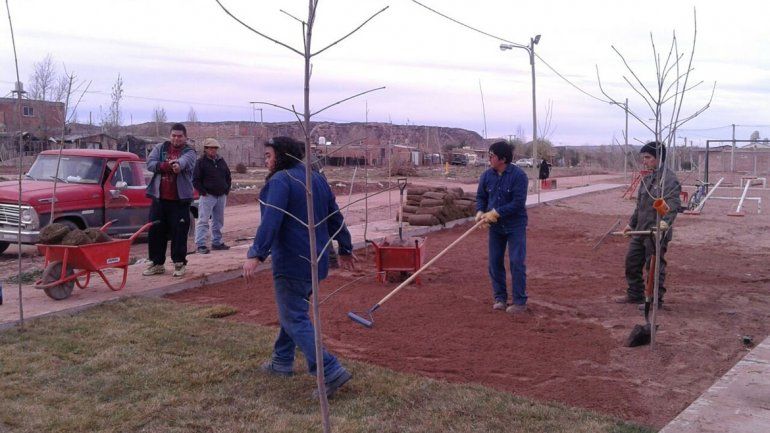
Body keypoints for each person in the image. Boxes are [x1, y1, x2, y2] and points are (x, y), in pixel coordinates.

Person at [242, 136, 357, 398]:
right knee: (293, 312)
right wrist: (346, 247)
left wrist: (256, 253)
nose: (266, 161)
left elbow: (271, 219)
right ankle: (282, 361)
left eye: (269, 155)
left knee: (293, 316)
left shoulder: (281, 181)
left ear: (282, 155)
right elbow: (335, 216)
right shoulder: (315, 178)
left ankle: (329, 369)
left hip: (292, 260)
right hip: (317, 261)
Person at [617, 141, 681, 307]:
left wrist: (665, 223)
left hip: (655, 232)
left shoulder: (669, 180)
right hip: (640, 230)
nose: (644, 161)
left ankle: (654, 300)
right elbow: (640, 205)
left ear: (658, 158)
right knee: (632, 261)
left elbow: (673, 204)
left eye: (647, 157)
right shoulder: (647, 179)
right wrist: (631, 224)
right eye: (643, 157)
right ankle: (635, 294)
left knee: (653, 266)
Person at [475, 140, 529, 314]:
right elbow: (481, 197)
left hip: (515, 225)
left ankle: (519, 302)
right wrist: (480, 211)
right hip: (495, 227)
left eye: (492, 156)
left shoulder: (519, 176)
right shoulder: (486, 176)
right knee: (494, 262)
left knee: (516, 262)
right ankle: (500, 298)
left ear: (503, 159)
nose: (489, 158)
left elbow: (518, 203)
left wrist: (496, 213)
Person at [143, 123, 197, 278]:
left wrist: (178, 165)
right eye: (174, 135)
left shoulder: (190, 151)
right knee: (155, 232)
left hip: (179, 201)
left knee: (179, 233)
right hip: (159, 199)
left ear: (185, 137)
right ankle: (157, 263)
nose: (176, 139)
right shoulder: (160, 148)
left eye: (180, 136)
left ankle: (179, 264)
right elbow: (150, 163)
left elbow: (185, 162)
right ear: (170, 136)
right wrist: (166, 165)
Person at [193, 138, 232, 254]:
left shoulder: (221, 161)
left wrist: (226, 189)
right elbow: (195, 180)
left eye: (215, 148)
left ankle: (217, 242)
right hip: (208, 196)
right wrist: (203, 192)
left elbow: (228, 176)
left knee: (218, 220)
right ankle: (201, 244)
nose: (214, 150)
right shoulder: (200, 162)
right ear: (206, 149)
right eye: (211, 148)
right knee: (203, 220)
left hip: (221, 195)